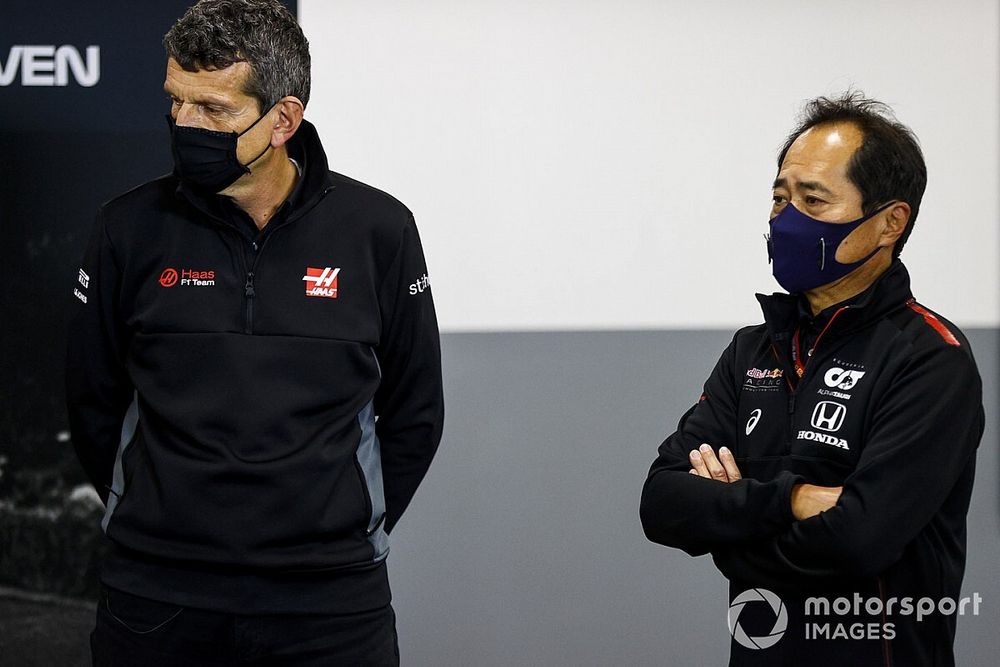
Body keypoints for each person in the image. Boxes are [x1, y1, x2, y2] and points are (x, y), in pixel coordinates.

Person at [65, 1, 443, 664]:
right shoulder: (126, 227)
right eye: (176, 102)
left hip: (331, 604)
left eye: (212, 109)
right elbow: (91, 401)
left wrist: (335, 528)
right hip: (156, 596)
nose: (184, 124)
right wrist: (161, 516)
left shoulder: (380, 230)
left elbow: (415, 413)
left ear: (283, 120)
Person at [639, 93, 983, 666]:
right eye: (779, 197)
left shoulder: (931, 359)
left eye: (812, 199)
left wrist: (729, 522)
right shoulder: (754, 348)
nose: (785, 217)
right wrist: (795, 500)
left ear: (889, 223)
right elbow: (663, 502)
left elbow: (859, 540)